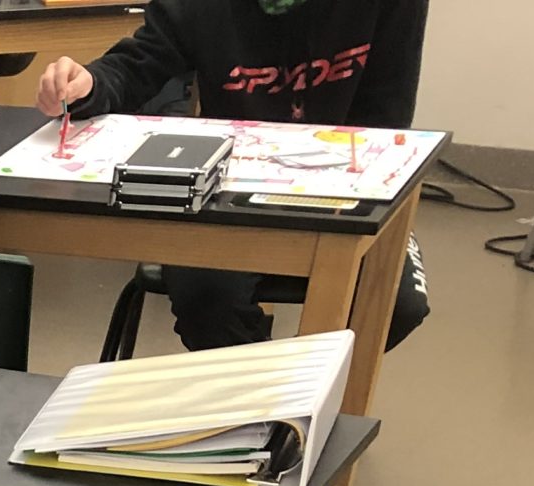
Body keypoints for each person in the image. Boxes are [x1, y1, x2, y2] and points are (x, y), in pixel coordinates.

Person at [36, 0, 432, 350]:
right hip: (229, 193)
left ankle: (295, 393)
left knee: (395, 306)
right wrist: (88, 86)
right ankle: (274, 401)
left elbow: (388, 119)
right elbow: (139, 63)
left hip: (349, 187)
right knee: (206, 300)